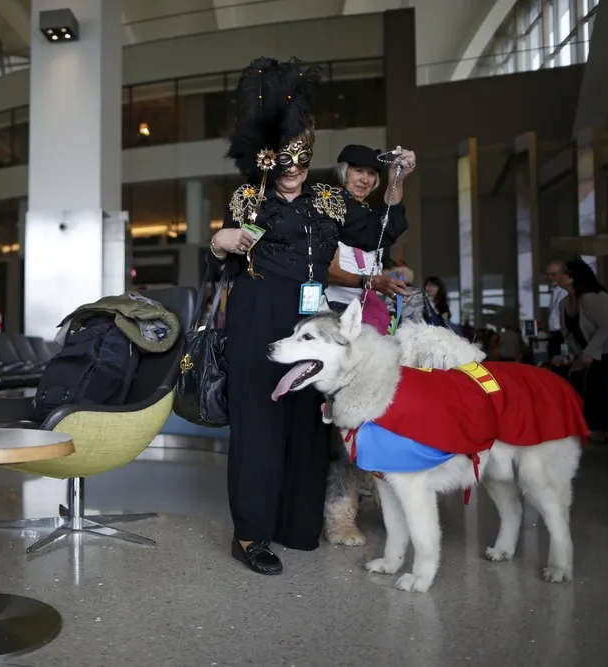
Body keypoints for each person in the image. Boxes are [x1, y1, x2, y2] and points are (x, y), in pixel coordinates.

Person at [208, 57, 413, 575]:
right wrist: (220, 240)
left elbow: (379, 233)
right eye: (286, 160)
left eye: (302, 159)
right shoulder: (249, 198)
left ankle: (296, 525)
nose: (295, 169)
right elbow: (219, 261)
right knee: (259, 423)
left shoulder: (328, 199)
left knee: (303, 423)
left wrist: (396, 180)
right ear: (268, 158)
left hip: (311, 319)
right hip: (258, 314)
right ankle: (250, 535)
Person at [325, 144, 408, 311]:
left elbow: (391, 224)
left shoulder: (368, 216)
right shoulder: (330, 207)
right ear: (344, 172)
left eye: (371, 174)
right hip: (336, 308)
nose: (364, 179)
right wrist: (371, 281)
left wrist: (391, 283)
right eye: (358, 171)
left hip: (369, 307)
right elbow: (327, 270)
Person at [558, 258, 608, 442]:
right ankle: (581, 423)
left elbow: (607, 326)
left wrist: (589, 353)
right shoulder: (564, 303)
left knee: (597, 377)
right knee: (573, 376)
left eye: (562, 272)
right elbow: (569, 335)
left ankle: (598, 428)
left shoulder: (593, 298)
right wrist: (577, 356)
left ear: (572, 277)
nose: (558, 276)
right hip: (593, 351)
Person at [546, 260, 569, 360]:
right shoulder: (554, 291)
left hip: (563, 335)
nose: (550, 277)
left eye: (553, 274)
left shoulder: (566, 292)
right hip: (554, 334)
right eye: (548, 275)